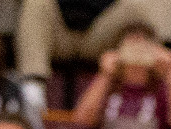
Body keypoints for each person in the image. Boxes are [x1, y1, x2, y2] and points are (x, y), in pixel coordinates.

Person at [14, 0, 158, 98]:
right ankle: (33, 92)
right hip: (58, 33)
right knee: (36, 3)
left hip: (97, 34)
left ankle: (140, 97)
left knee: (134, 9)